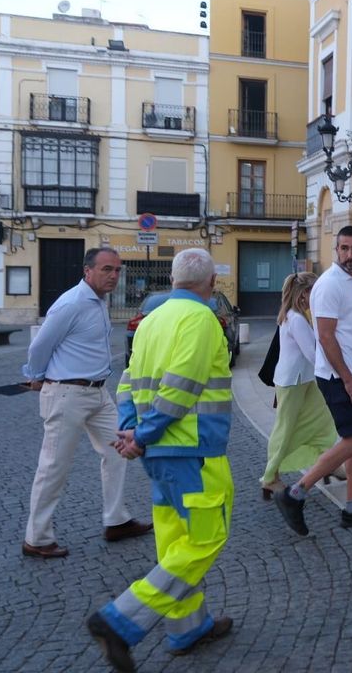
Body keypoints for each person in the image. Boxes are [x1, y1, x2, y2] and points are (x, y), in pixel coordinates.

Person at [87, 248, 234, 670]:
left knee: (173, 544)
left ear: (172, 281)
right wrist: (145, 434)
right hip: (195, 452)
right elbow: (181, 388)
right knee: (206, 539)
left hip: (158, 455)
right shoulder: (203, 319)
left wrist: (134, 433)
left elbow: (129, 381)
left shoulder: (150, 321)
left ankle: (187, 626)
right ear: (210, 285)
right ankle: (120, 618)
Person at [21, 247, 151, 559]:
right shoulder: (72, 303)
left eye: (118, 270)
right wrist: (35, 375)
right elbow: (40, 345)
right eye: (107, 269)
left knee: (119, 450)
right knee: (54, 466)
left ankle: (116, 520)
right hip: (67, 394)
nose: (114, 276)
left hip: (98, 393)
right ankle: (36, 538)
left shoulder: (98, 302)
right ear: (87, 271)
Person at [274, 226, 352, 535]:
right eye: (345, 249)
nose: (350, 254)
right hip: (341, 376)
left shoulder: (349, 282)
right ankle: (295, 493)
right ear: (335, 250)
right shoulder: (328, 285)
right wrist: (349, 380)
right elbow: (325, 338)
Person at [259, 272, 340, 500]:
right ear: (304, 294)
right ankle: (270, 477)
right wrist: (339, 369)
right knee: (285, 430)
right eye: (314, 292)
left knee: (322, 421)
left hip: (304, 380)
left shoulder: (300, 316)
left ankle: (328, 462)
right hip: (293, 382)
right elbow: (313, 354)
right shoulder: (295, 319)